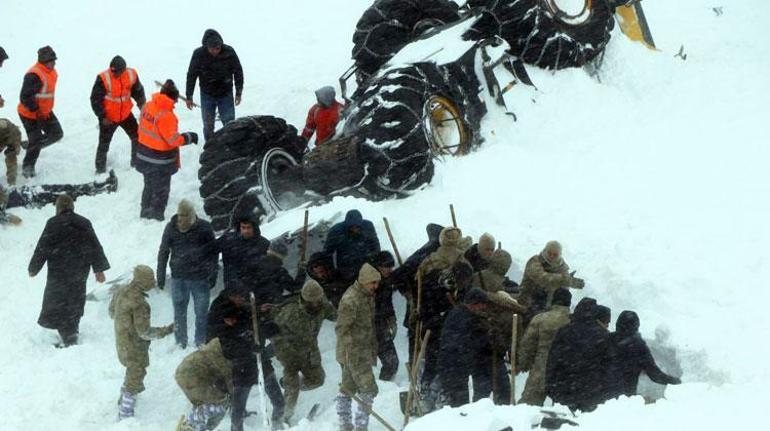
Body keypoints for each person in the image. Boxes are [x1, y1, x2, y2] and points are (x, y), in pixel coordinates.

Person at [28, 194, 110, 347]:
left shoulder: (53, 223)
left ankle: (68, 335)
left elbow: (42, 248)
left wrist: (33, 268)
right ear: (72, 207)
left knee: (57, 302)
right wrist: (99, 270)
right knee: (75, 300)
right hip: (79, 271)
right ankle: (71, 331)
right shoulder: (84, 223)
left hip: (58, 272)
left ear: (58, 209)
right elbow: (95, 246)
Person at [207, 286, 285, 431]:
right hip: (242, 370)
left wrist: (270, 328)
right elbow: (229, 352)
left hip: (262, 364)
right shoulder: (223, 332)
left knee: (279, 401)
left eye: (231, 319)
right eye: (227, 319)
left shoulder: (247, 317)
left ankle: (277, 424)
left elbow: (262, 328)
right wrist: (249, 349)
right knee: (238, 410)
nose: (229, 321)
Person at [109, 265, 175, 420]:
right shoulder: (139, 303)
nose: (153, 282)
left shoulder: (121, 291)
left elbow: (112, 312)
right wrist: (167, 330)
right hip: (134, 346)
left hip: (121, 340)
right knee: (136, 374)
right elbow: (144, 332)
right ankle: (125, 413)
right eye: (150, 279)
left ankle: (123, 399)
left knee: (131, 371)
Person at [271, 280, 337, 422]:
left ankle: (286, 383)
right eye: (311, 302)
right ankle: (283, 418)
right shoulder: (289, 311)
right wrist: (284, 352)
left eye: (318, 301)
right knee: (292, 388)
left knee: (318, 380)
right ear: (304, 299)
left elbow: (337, 315)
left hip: (310, 352)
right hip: (290, 353)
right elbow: (274, 333)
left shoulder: (322, 306)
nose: (315, 305)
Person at [157, 199, 218, 348]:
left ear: (192, 216)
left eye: (185, 219)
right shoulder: (171, 228)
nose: (181, 222)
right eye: (179, 218)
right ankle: (180, 342)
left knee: (201, 312)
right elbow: (163, 251)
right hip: (178, 278)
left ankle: (200, 341)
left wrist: (213, 273)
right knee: (179, 313)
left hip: (200, 279)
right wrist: (160, 274)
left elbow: (213, 253)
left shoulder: (204, 228)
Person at [135, 79, 198, 220]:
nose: (175, 104)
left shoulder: (148, 106)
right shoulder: (167, 116)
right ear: (173, 98)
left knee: (148, 185)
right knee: (161, 190)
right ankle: (157, 215)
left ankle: (144, 211)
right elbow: (173, 140)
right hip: (160, 161)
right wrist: (189, 137)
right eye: (175, 100)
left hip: (143, 155)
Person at [389, 223, 443, 364]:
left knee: (418, 338)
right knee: (422, 340)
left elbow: (399, 275)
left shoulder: (425, 251)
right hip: (422, 305)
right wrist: (410, 293)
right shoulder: (431, 254)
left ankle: (416, 369)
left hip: (421, 304)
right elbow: (398, 276)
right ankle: (417, 370)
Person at [335, 264, 380, 431]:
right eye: (373, 283)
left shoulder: (367, 296)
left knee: (348, 387)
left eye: (377, 283)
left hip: (362, 350)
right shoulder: (351, 300)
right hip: (353, 353)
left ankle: (344, 424)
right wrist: (351, 352)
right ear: (363, 282)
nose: (376, 286)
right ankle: (361, 426)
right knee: (369, 388)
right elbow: (341, 328)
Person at [545, 297, 609, 412]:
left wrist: (550, 385)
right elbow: (607, 366)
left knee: (563, 425)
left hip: (564, 388)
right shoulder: (603, 335)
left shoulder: (564, 331)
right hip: (591, 391)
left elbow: (553, 360)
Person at [604, 311, 681, 400]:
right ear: (636, 326)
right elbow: (654, 374)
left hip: (601, 397)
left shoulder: (606, 340)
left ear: (618, 324)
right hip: (624, 398)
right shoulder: (638, 346)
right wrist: (675, 381)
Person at [185, 29, 244, 143]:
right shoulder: (198, 54)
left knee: (229, 123)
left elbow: (238, 72)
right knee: (208, 125)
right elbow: (191, 75)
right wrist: (189, 96)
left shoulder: (229, 52)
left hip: (225, 93)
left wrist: (238, 92)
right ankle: (210, 147)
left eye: (218, 48)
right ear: (206, 46)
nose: (215, 51)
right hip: (207, 94)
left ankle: (231, 145)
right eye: (212, 49)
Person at [90, 55, 146, 173]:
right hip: (109, 117)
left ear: (124, 70)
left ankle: (135, 164)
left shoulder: (131, 74)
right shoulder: (103, 78)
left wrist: (142, 104)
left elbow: (138, 91)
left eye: (117, 72)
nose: (114, 74)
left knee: (137, 137)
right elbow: (95, 99)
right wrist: (102, 116)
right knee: (104, 144)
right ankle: (100, 170)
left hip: (125, 114)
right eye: (113, 72)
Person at [437, 288, 492, 407]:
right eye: (482, 305)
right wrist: (484, 340)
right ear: (474, 304)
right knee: (459, 404)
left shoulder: (460, 313)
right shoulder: (463, 317)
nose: (484, 308)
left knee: (459, 401)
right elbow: (464, 342)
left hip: (453, 365)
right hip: (453, 365)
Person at [518, 287, 572, 406]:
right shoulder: (571, 321)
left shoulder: (540, 319)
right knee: (563, 410)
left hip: (541, 366)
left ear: (553, 300)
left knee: (528, 406)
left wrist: (523, 363)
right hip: (564, 369)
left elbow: (527, 344)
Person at [1, 171, 117, 225]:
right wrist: (11, 219)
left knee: (65, 188)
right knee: (66, 194)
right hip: (31, 198)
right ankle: (105, 188)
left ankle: (99, 185)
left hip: (30, 191)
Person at [18, 46, 63, 178]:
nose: (54, 63)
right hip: (29, 114)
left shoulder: (51, 71)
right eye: (52, 60)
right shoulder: (34, 75)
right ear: (44, 61)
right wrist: (36, 110)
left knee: (57, 134)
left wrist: (43, 110)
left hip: (45, 112)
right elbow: (25, 97)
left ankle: (31, 145)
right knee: (36, 141)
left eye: (54, 60)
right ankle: (28, 167)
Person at [518, 241, 585, 327]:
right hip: (527, 301)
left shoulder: (562, 268)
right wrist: (565, 280)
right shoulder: (535, 261)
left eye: (555, 255)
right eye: (549, 253)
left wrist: (567, 282)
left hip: (549, 306)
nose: (552, 257)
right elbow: (542, 278)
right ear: (545, 251)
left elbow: (564, 290)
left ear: (559, 255)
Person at [175, 337, 233, 431]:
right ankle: (191, 426)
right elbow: (228, 377)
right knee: (221, 402)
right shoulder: (223, 351)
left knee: (205, 403)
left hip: (185, 373)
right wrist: (234, 397)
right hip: (191, 376)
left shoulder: (219, 342)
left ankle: (196, 426)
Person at [367, 251, 399, 381]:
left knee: (392, 363)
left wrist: (392, 318)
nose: (389, 270)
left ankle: (385, 387)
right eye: (386, 266)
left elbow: (387, 302)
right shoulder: (369, 282)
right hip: (370, 327)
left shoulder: (387, 281)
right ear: (378, 266)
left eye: (391, 266)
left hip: (382, 325)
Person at [216, 213, 270, 290]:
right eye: (243, 228)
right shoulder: (228, 240)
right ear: (239, 228)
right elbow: (211, 250)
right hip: (234, 285)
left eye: (248, 228)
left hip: (258, 284)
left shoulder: (263, 243)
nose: (246, 231)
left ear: (254, 228)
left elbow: (271, 266)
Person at [324, 209, 381, 283]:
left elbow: (375, 245)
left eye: (357, 227)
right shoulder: (336, 231)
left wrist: (374, 262)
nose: (355, 229)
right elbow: (327, 253)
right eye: (352, 227)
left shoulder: (368, 226)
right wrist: (332, 271)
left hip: (366, 266)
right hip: (346, 270)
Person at [249, 240, 305, 306]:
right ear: (281, 256)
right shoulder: (278, 271)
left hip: (255, 306)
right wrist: (302, 270)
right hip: (271, 306)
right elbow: (295, 288)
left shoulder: (254, 264)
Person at [637, 325, 683, 402]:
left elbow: (676, 372)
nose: (659, 335)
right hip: (647, 382)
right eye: (657, 333)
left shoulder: (670, 350)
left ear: (666, 336)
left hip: (658, 384)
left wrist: (674, 363)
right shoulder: (649, 344)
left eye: (662, 333)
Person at [0, 118, 22, 186]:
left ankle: (12, 182)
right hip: (3, 136)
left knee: (11, 156)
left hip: (13, 136)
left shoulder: (4, 125)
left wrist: (15, 147)